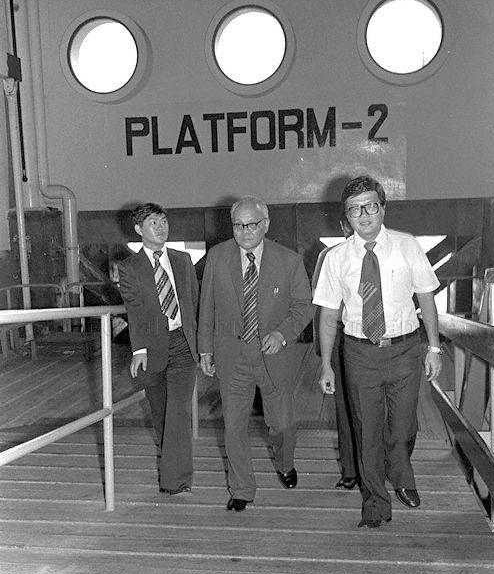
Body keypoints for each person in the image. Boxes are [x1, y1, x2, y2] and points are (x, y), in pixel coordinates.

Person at [314, 176, 442, 528]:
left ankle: (400, 474)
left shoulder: (407, 245)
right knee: (366, 431)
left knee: (402, 429)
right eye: (355, 209)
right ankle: (375, 503)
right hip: (359, 354)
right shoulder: (336, 259)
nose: (364, 214)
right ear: (346, 216)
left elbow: (427, 298)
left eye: (371, 206)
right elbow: (328, 316)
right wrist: (326, 364)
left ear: (382, 208)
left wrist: (433, 347)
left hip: (405, 351)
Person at [198, 196, 313, 511]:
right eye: (238, 225)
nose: (244, 231)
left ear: (266, 225)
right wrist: (205, 348)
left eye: (251, 224)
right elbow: (205, 306)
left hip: (274, 355)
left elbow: (304, 307)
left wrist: (282, 333)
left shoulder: (289, 261)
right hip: (231, 355)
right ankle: (241, 489)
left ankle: (284, 461)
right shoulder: (217, 257)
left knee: (283, 424)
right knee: (233, 426)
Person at [118, 202, 199, 495]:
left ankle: (176, 481)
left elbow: (194, 302)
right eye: (153, 222)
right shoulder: (129, 268)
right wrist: (139, 349)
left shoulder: (183, 260)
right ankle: (174, 468)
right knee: (162, 413)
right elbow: (134, 309)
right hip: (151, 348)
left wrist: (203, 345)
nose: (161, 227)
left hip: (183, 345)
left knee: (178, 411)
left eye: (163, 221)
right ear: (139, 230)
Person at [312, 245, 358, 490]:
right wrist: (324, 356)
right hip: (342, 332)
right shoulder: (330, 257)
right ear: (343, 224)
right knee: (344, 405)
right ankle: (350, 470)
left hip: (380, 336)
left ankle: (377, 466)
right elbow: (320, 301)